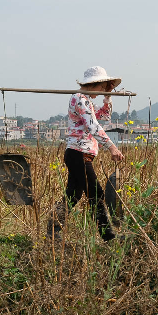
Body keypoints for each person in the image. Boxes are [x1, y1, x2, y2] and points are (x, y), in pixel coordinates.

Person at [48, 66, 125, 241]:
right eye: (103, 86)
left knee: (73, 195)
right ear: (94, 84)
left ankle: (53, 230)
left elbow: (103, 116)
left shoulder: (86, 101)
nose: (103, 89)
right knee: (96, 193)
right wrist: (112, 147)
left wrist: (108, 97)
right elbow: (93, 126)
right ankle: (108, 236)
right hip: (77, 154)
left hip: (81, 154)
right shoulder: (79, 99)